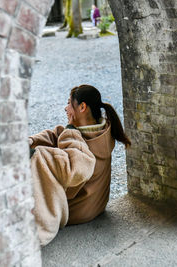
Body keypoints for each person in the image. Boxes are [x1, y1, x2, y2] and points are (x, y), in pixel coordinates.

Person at [29, 84, 131, 246]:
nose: (66, 107)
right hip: (96, 205)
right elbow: (58, 134)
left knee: (41, 157)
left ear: (82, 107)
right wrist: (31, 140)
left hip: (77, 210)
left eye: (69, 103)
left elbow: (73, 167)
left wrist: (36, 153)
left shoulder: (82, 141)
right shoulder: (102, 129)